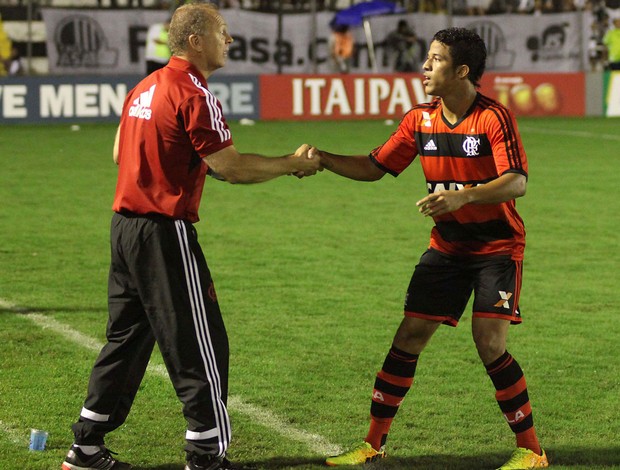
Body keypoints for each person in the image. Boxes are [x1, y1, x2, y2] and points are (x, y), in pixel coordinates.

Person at [61, 4, 320, 470]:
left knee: (126, 341)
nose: (231, 41)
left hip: (124, 230)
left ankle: (86, 446)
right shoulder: (193, 93)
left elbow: (121, 151)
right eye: (224, 33)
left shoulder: (145, 86)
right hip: (163, 234)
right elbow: (232, 167)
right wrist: (292, 164)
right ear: (197, 40)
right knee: (199, 342)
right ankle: (205, 455)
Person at [307, 27, 548, 469]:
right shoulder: (420, 119)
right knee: (409, 336)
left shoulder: (493, 117)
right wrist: (324, 158)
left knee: (489, 343)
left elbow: (517, 181)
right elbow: (375, 166)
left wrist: (464, 195)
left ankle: (532, 452)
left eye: (435, 59)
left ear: (462, 70)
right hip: (447, 248)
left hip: (497, 248)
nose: (424, 66)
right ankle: (372, 444)